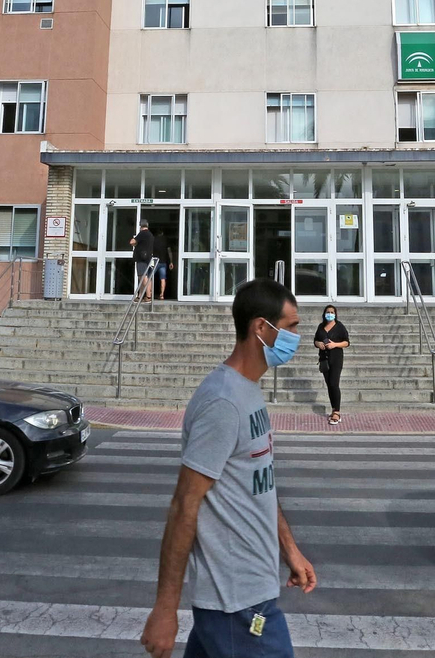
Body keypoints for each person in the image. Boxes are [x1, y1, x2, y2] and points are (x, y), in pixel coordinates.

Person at [141, 280, 316, 658]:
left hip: (245, 592)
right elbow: (184, 504)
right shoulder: (223, 402)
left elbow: (258, 483)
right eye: (291, 327)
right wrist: (165, 609)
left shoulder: (248, 389)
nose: (298, 337)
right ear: (261, 329)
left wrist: (290, 549)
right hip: (238, 601)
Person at [313, 306, 350, 426]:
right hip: (324, 360)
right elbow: (315, 340)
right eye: (328, 312)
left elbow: (346, 342)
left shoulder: (339, 327)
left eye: (332, 312)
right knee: (329, 385)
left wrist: (335, 345)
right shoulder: (320, 326)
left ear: (335, 314)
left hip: (336, 359)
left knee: (334, 383)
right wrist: (319, 344)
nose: (330, 314)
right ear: (324, 314)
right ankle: (333, 408)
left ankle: (337, 412)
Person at [132, 219, 156, 299]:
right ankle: (140, 296)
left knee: (142, 277)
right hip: (148, 258)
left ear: (141, 226)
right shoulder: (150, 235)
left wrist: (135, 242)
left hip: (141, 259)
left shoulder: (142, 233)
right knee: (145, 277)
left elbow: (132, 242)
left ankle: (148, 296)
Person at [153, 230, 175, 300]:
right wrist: (171, 262)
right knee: (163, 279)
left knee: (150, 278)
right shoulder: (166, 240)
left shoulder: (153, 239)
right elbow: (169, 252)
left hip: (154, 261)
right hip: (163, 262)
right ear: (162, 233)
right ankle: (162, 295)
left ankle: (149, 294)